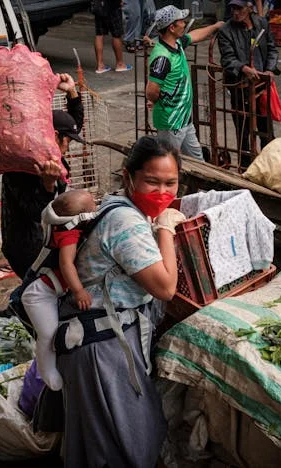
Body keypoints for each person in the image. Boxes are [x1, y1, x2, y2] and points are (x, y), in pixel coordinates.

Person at [51, 136, 187, 467]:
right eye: (152, 182)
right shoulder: (126, 223)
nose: (162, 192)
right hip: (101, 346)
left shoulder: (117, 204)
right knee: (126, 441)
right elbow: (166, 287)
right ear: (128, 178)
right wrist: (166, 229)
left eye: (171, 183)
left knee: (99, 439)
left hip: (101, 337)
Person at [1, 73, 85, 279]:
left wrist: (72, 93)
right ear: (55, 136)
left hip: (46, 242)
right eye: (68, 141)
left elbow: (74, 124)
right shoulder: (25, 166)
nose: (68, 147)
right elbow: (37, 214)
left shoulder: (50, 150)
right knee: (39, 292)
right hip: (28, 249)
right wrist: (48, 185)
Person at [21, 190, 98, 391]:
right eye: (92, 207)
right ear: (80, 217)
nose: (96, 208)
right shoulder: (69, 235)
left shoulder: (66, 229)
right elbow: (66, 264)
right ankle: (46, 370)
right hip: (39, 296)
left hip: (51, 292)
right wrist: (79, 290)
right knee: (48, 334)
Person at [145, 6, 224, 161]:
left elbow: (194, 35)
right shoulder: (163, 57)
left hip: (184, 120)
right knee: (169, 164)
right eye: (180, 21)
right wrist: (159, 102)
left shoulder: (176, 44)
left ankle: (199, 186)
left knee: (198, 163)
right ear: (172, 27)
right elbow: (151, 91)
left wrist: (215, 27)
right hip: (171, 123)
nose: (184, 23)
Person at [218, 0, 279, 168]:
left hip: (261, 85)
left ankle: (270, 168)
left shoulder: (261, 23)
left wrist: (270, 70)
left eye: (239, 9)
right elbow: (227, 59)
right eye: (232, 9)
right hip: (241, 86)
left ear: (249, 9)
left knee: (266, 131)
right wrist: (243, 68)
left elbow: (272, 49)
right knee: (244, 132)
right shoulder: (226, 30)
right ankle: (245, 169)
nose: (235, 13)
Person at [92, 0, 131, 73]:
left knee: (99, 34)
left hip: (98, 4)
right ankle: (120, 64)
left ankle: (100, 65)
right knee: (116, 34)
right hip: (112, 5)